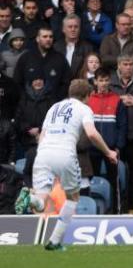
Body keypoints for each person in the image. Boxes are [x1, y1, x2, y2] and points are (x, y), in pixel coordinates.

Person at [15, 80, 118, 251]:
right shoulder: (84, 109)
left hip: (43, 154)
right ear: (88, 96)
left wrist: (43, 155)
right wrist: (108, 152)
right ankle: (55, 241)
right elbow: (92, 134)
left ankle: (29, 198)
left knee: (41, 200)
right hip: (64, 153)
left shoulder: (54, 108)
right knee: (73, 198)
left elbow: (43, 134)